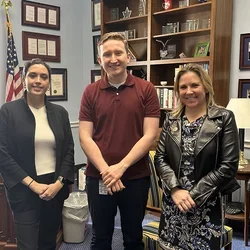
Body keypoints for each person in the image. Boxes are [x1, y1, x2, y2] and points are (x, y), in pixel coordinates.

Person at [79, 32, 160, 250]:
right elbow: (85, 137)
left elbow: (150, 135)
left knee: (133, 238)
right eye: (107, 54)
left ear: (128, 57)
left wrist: (120, 168)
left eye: (118, 53)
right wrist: (107, 172)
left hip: (135, 178)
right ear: (100, 60)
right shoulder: (90, 92)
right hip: (99, 178)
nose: (113, 59)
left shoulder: (147, 89)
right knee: (100, 237)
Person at [154, 63, 240, 250]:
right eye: (183, 87)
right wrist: (176, 190)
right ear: (177, 91)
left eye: (195, 85)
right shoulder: (171, 119)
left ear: (206, 87)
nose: (189, 91)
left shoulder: (224, 118)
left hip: (206, 202)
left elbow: (229, 165)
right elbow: (160, 157)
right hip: (174, 201)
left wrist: (193, 195)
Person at [0, 58, 74, 250]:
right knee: (28, 245)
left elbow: (69, 151)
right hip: (24, 189)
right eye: (33, 75)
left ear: (49, 82)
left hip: (53, 189)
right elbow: (3, 153)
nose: (38, 81)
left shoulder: (60, 113)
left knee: (49, 242)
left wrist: (58, 183)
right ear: (24, 79)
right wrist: (33, 185)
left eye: (43, 77)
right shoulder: (8, 111)